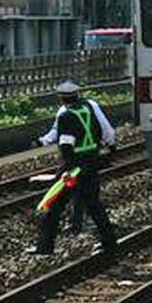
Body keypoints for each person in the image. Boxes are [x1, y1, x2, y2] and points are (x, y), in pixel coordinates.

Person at [26, 79, 117, 255]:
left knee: (53, 204)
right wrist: (111, 148)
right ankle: (109, 241)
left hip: (73, 168)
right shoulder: (88, 108)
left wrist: (66, 170)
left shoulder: (66, 116)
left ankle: (44, 247)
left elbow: (67, 143)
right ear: (77, 94)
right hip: (91, 162)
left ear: (61, 98)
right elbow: (105, 131)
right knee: (94, 205)